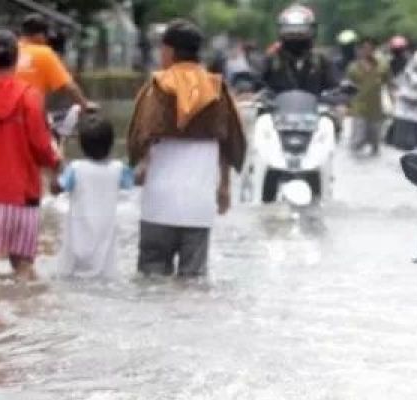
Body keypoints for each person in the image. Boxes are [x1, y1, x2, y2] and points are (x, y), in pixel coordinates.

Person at [126, 19, 246, 279]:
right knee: (192, 286)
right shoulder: (216, 90)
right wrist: (225, 186)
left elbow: (139, 137)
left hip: (158, 202)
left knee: (151, 282)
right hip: (199, 205)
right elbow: (230, 140)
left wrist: (138, 165)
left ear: (169, 51)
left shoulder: (156, 88)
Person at [0, 29, 60, 281]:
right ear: (16, 59)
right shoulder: (29, 96)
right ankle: (21, 318)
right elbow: (41, 146)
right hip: (22, 193)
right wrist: (55, 162)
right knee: (24, 268)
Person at [54, 114, 134, 279]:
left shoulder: (75, 169)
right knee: (104, 274)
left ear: (82, 146)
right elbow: (136, 180)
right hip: (104, 236)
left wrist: (60, 149)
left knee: (72, 275)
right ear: (111, 143)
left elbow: (57, 188)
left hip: (78, 234)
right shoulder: (118, 169)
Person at [0, 14, 93, 110]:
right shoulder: (44, 53)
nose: (46, 40)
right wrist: (85, 105)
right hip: (29, 115)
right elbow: (69, 86)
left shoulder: (5, 50)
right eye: (45, 36)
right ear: (39, 35)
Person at [261, 5, 339, 96]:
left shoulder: (321, 60)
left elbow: (336, 86)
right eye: (290, 33)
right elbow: (256, 83)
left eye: (301, 33)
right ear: (281, 33)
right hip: (277, 108)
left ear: (311, 32)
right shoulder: (271, 59)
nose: (296, 37)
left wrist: (340, 93)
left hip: (316, 108)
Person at [346, 37, 389, 157]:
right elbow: (347, 88)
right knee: (358, 139)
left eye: (370, 48)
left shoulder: (383, 66)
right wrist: (346, 105)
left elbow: (389, 84)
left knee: (375, 142)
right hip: (359, 106)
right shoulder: (353, 67)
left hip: (376, 108)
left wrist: (392, 103)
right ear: (359, 50)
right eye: (364, 48)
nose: (367, 51)